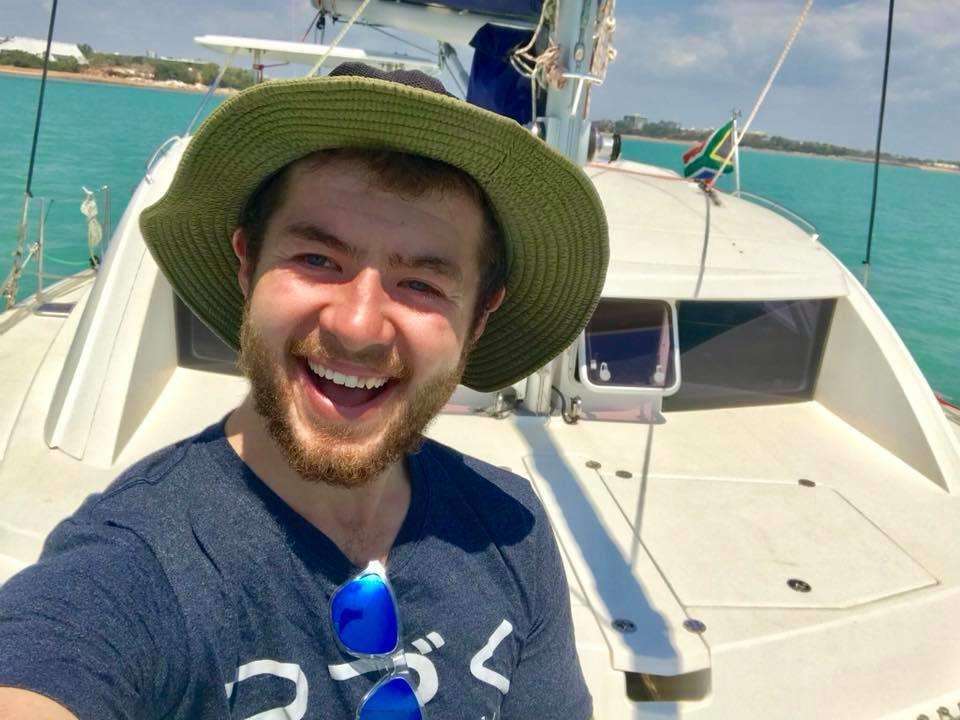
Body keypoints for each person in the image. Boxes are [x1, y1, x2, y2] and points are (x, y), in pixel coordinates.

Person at [0, 63, 608, 719]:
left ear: (478, 319)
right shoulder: (138, 563)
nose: (356, 325)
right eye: (318, 260)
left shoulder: (511, 530)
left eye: (422, 284)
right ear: (246, 264)